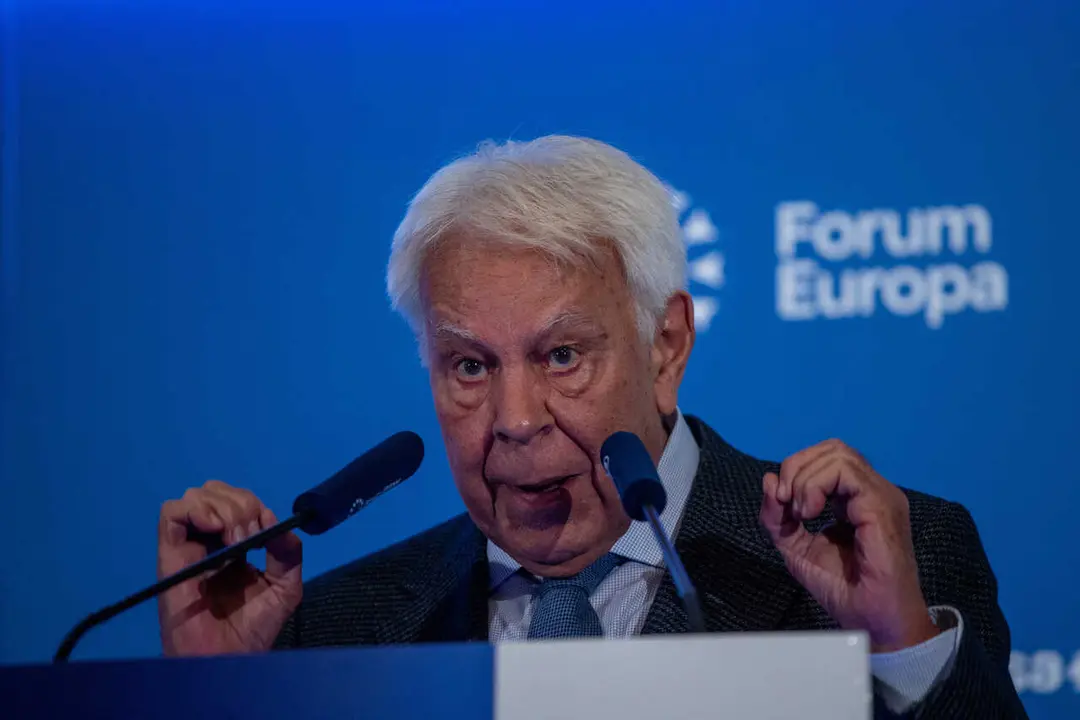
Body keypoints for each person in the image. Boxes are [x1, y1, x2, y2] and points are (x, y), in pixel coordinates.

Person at [157, 135, 1026, 717]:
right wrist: (210, 698)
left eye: (563, 356)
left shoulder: (887, 571)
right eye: (470, 366)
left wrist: (899, 651)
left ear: (666, 346)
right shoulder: (334, 634)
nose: (516, 420)